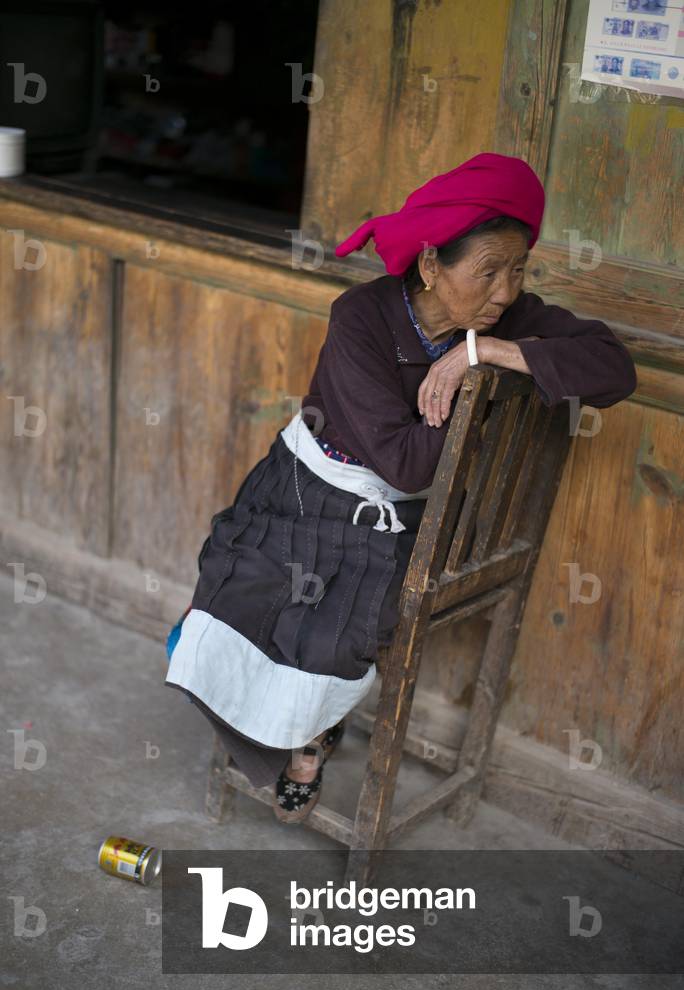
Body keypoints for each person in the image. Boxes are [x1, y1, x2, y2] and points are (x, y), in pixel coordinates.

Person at [164, 152, 637, 824]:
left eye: (518, 271)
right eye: (489, 272)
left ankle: (306, 743)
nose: (505, 292)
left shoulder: (505, 322)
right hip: (304, 487)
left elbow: (616, 370)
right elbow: (403, 459)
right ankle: (300, 735)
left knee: (334, 628)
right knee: (225, 600)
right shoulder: (361, 318)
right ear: (429, 266)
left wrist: (482, 354)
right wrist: (477, 369)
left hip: (403, 519)